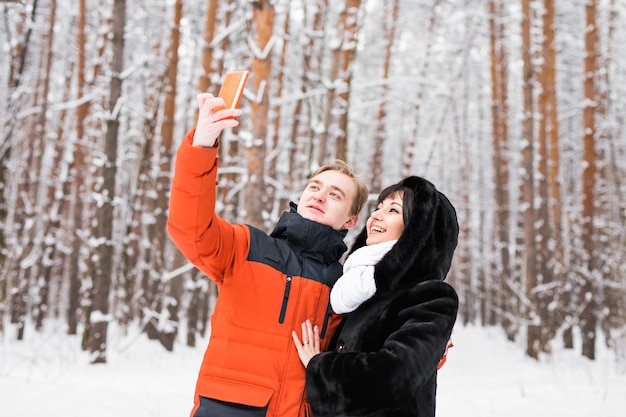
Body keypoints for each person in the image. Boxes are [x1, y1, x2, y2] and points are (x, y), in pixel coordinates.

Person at [166, 92, 369, 417]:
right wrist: (201, 146)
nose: (320, 196)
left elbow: (375, 351)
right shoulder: (248, 247)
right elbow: (189, 228)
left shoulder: (344, 285)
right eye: (314, 187)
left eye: (335, 194)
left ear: (351, 220)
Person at [292, 176, 459, 417]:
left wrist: (320, 365)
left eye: (393, 210)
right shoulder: (358, 293)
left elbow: (394, 377)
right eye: (378, 207)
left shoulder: (431, 296)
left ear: (418, 230)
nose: (376, 216)